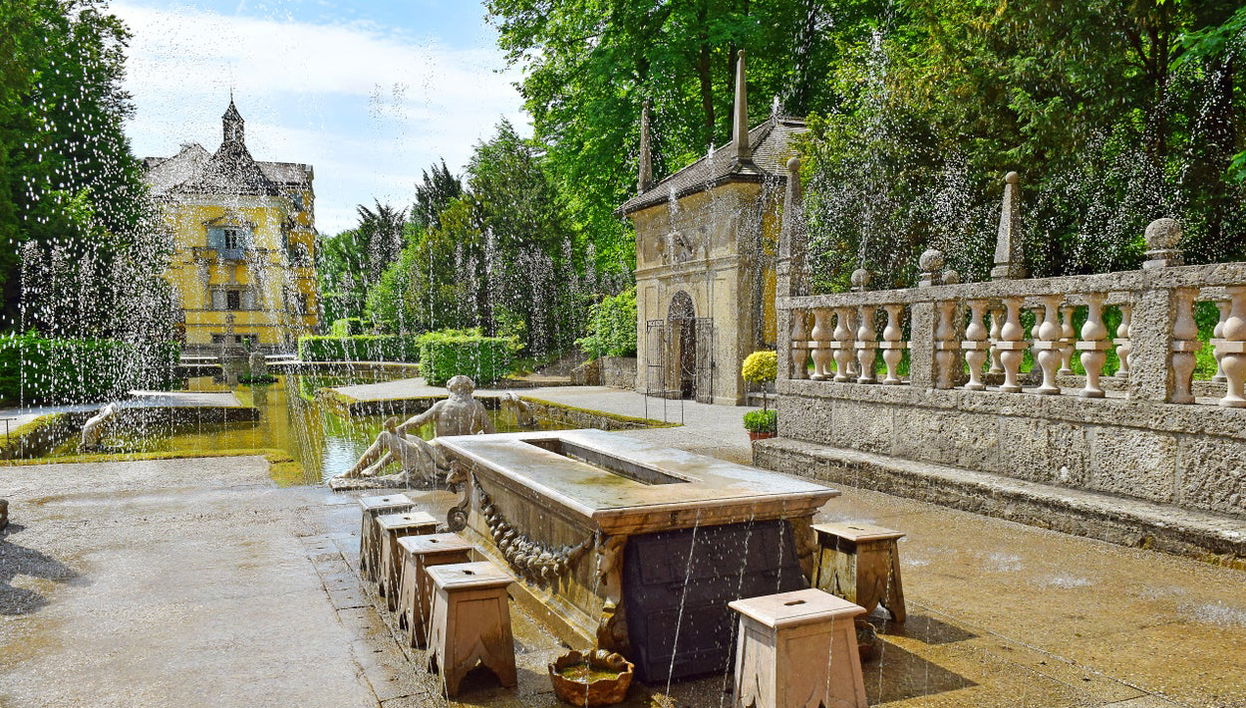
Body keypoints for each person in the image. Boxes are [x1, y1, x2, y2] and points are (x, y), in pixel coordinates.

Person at [340, 375, 494, 484]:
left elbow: (418, 420)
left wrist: (401, 427)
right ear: (470, 390)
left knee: (385, 437)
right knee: (405, 438)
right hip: (462, 458)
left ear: (450, 389)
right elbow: (493, 435)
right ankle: (375, 469)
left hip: (441, 461)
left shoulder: (443, 405)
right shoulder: (477, 407)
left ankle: (354, 472)